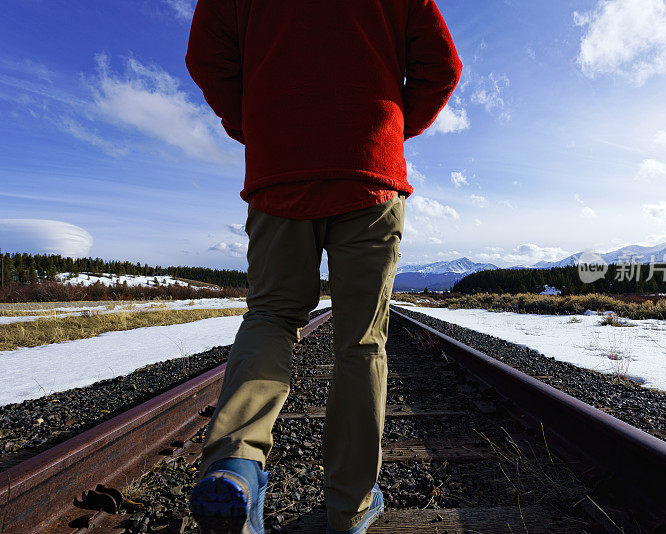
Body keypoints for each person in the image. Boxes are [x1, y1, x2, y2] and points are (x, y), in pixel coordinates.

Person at [184, 1, 461, 532]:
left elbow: (206, 56)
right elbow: (442, 65)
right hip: (369, 172)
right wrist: (392, 124)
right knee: (361, 342)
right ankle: (350, 508)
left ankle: (237, 461)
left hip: (279, 170)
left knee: (271, 317)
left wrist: (252, 123)